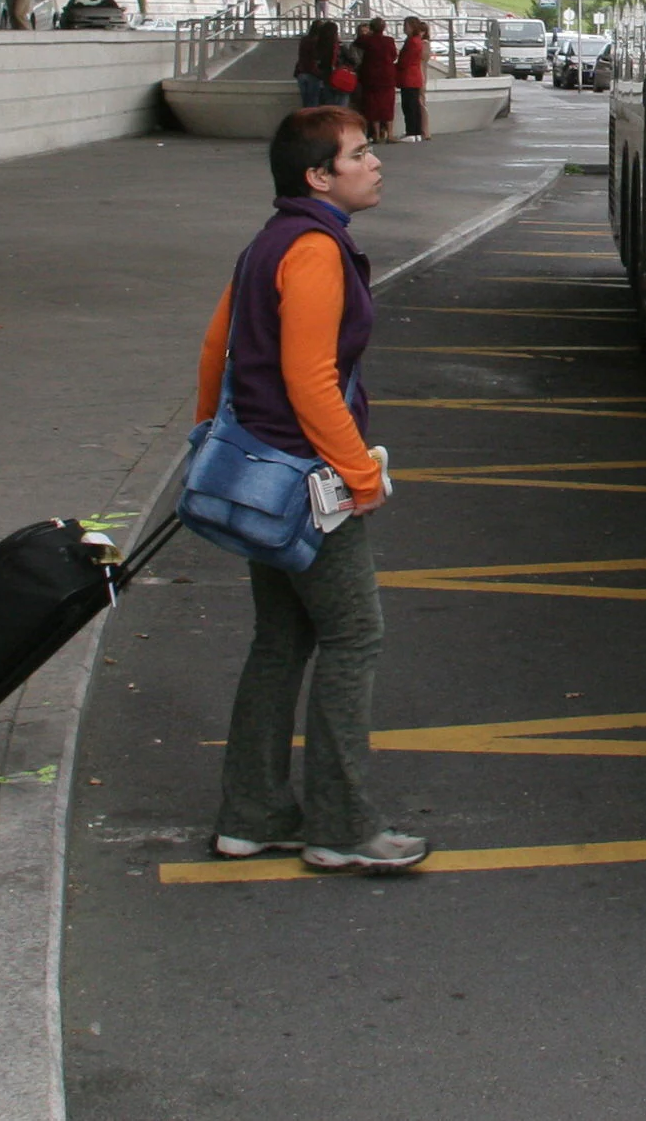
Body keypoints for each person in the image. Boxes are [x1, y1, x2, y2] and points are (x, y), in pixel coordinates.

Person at [193, 106, 426, 875]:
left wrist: (216, 440)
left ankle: (252, 814)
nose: (375, 162)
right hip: (308, 482)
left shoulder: (269, 242)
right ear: (317, 176)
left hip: (264, 478)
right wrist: (360, 474)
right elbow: (311, 380)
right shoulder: (318, 251)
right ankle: (342, 825)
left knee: (282, 639)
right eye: (359, 154)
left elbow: (215, 349)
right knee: (355, 637)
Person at [351, 16, 399, 141]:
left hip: (370, 76)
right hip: (387, 76)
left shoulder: (367, 40)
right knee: (388, 105)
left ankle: (376, 134)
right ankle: (390, 134)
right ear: (384, 28)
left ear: (371, 28)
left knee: (372, 105)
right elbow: (394, 56)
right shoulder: (389, 40)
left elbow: (356, 42)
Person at [292, 12, 341, 108]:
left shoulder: (304, 39)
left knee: (305, 103)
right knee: (313, 103)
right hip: (313, 74)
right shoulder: (319, 42)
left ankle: (303, 120)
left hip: (301, 72)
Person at [394, 16, 430, 141]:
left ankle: (411, 132)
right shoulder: (418, 41)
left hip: (408, 76)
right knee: (414, 105)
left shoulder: (411, 42)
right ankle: (416, 132)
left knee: (408, 105)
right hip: (415, 76)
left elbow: (405, 60)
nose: (404, 28)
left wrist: (396, 66)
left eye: (406, 26)